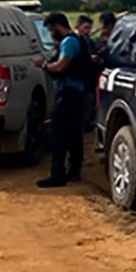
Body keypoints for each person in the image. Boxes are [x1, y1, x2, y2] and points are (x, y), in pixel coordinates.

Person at [33, 12, 90, 188]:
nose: (51, 34)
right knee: (73, 134)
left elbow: (61, 66)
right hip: (77, 92)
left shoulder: (69, 42)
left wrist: (43, 65)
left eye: (51, 30)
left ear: (58, 26)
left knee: (58, 134)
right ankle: (73, 171)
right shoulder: (77, 40)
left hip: (68, 93)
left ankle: (57, 174)